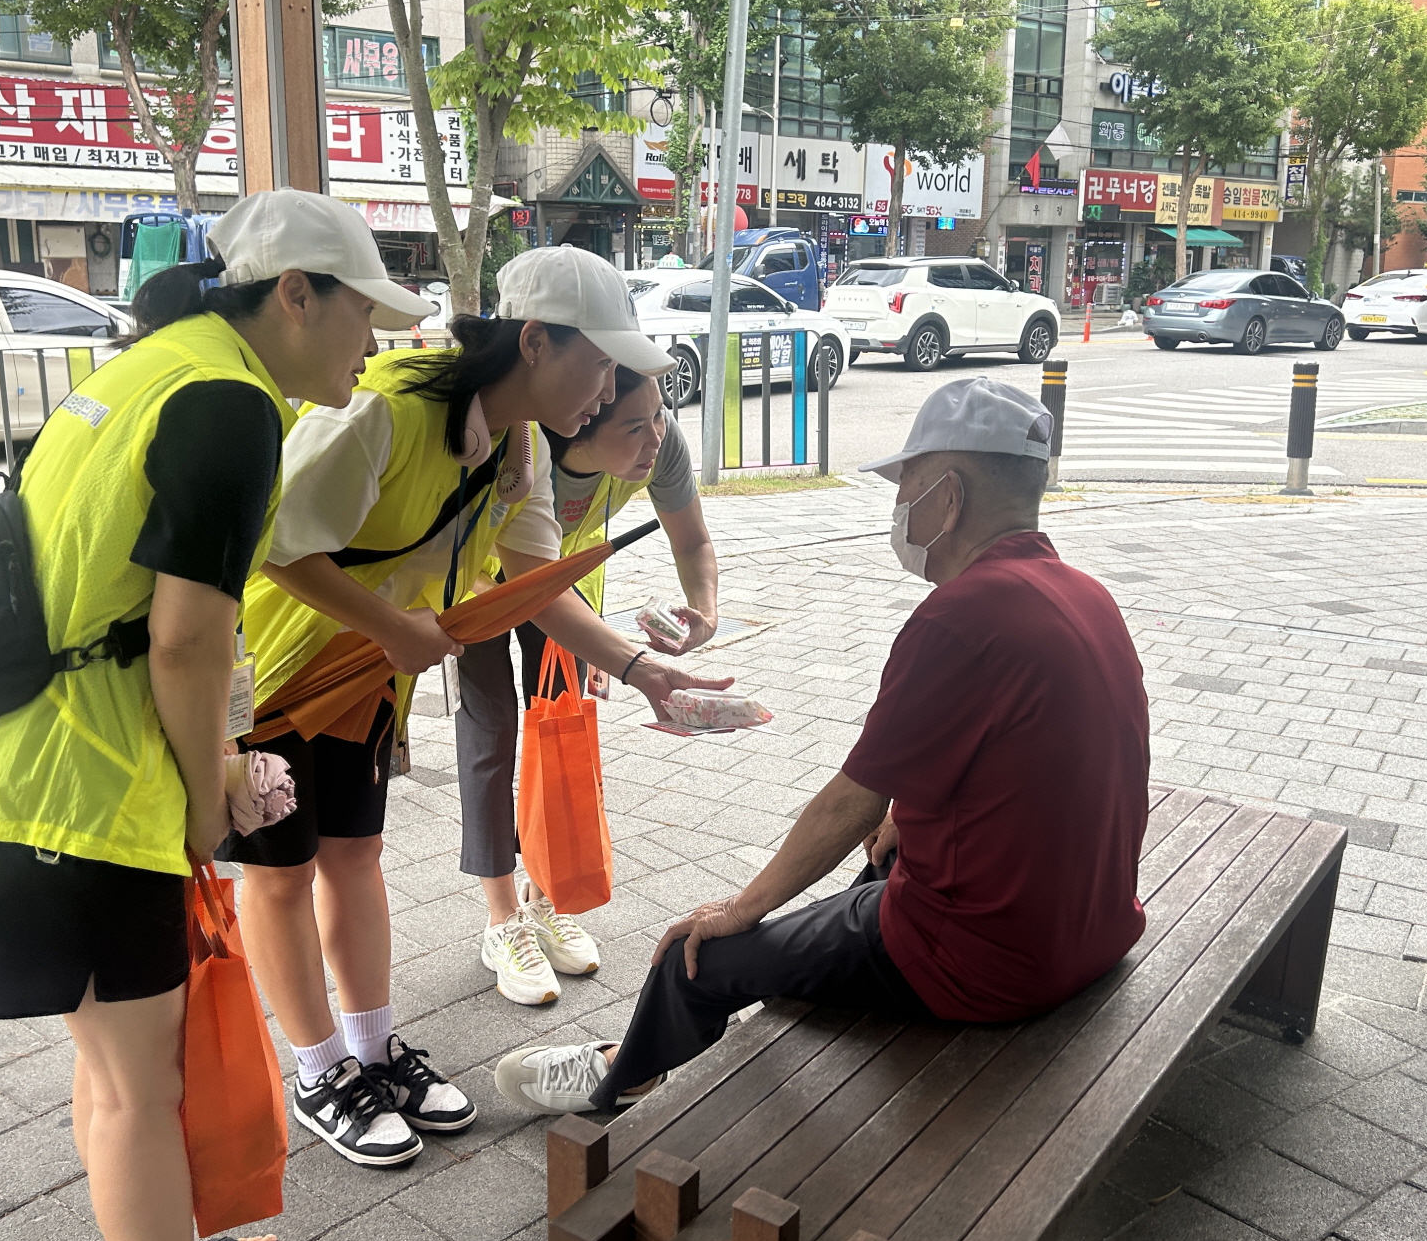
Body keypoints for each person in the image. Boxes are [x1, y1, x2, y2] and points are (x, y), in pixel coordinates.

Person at [0, 188, 389, 1241]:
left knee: (113, 1064)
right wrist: (206, 790)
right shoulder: (226, 403)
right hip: (74, 783)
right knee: (131, 1084)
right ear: (296, 295)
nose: (373, 341)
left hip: (8, 760)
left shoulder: (162, 362)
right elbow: (183, 636)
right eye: (362, 311)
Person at [493, 377, 1151, 1114]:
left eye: (908, 484)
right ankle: (802, 981)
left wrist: (741, 909)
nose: (900, 505)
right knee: (883, 852)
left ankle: (618, 1079)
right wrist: (900, 815)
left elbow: (848, 802)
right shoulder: (1084, 593)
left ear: (950, 496)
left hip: (984, 965)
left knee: (696, 956)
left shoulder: (959, 619)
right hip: (1094, 928)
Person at [228, 244, 730, 1167]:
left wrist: (637, 667)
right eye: (602, 362)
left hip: (367, 683)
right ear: (535, 341)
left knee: (355, 856)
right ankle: (319, 1070)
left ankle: (374, 1050)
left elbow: (538, 578)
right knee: (281, 873)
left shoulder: (520, 440)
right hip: (275, 678)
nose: (610, 386)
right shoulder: (385, 410)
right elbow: (268, 542)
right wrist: (392, 627)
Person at [456, 361, 720, 1004]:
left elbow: (692, 544)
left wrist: (703, 616)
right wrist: (630, 658)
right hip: (481, 586)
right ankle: (502, 921)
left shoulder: (660, 444)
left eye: (658, 416)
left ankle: (545, 896)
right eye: (634, 426)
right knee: (491, 734)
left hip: (566, 587)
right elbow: (480, 555)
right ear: (580, 419)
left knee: (562, 733)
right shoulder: (524, 447)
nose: (657, 437)